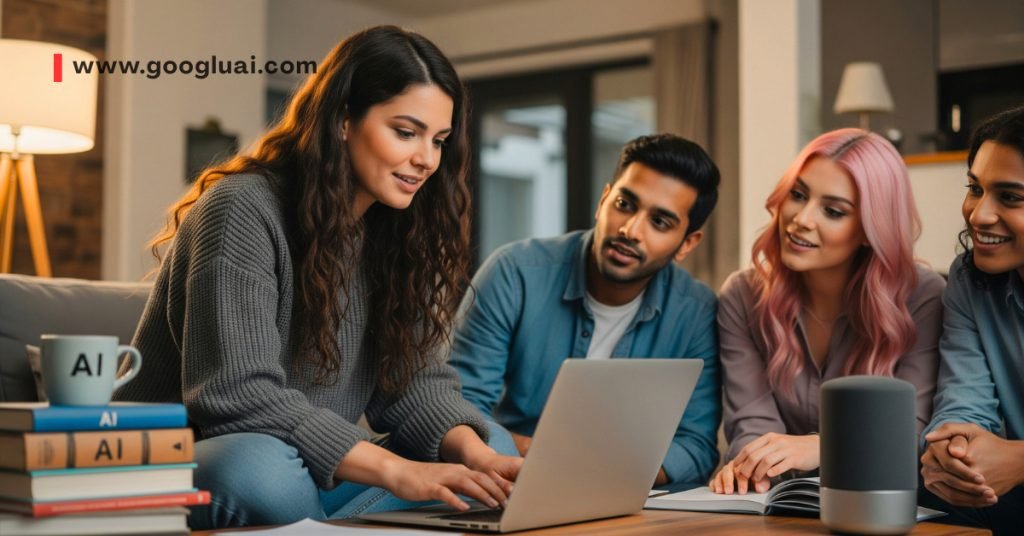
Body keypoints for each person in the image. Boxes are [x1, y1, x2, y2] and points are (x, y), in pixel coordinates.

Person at [113, 26, 520, 529]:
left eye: (438, 140)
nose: (427, 160)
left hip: (306, 465)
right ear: (344, 120)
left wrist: (477, 459)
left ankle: (321, 526)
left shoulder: (393, 232)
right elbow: (238, 399)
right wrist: (397, 471)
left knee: (489, 447)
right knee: (263, 469)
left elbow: (412, 387)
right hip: (190, 455)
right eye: (405, 132)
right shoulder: (241, 209)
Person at [449, 134, 723, 486]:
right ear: (603, 200)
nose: (630, 230)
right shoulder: (515, 273)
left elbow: (696, 445)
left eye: (660, 222)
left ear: (687, 244)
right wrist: (532, 453)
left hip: (623, 497)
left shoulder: (696, 312)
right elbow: (458, 405)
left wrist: (606, 474)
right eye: (624, 203)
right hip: (506, 482)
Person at [710, 129, 945, 494]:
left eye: (833, 211)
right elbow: (751, 429)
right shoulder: (742, 296)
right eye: (798, 195)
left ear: (871, 229)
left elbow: (913, 436)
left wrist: (821, 446)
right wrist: (750, 469)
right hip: (778, 507)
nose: (801, 219)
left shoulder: (923, 297)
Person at [919, 105, 1024, 533]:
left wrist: (1019, 459)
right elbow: (964, 397)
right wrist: (954, 450)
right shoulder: (968, 278)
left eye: (1011, 197)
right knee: (931, 482)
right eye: (975, 189)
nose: (979, 214)